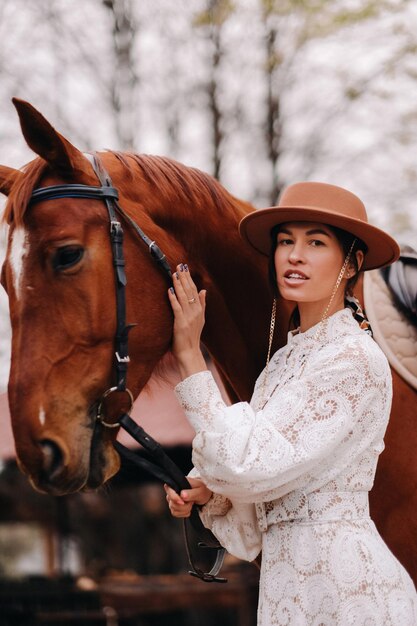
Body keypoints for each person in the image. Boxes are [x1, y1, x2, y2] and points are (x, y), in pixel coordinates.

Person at [164, 181, 417, 625]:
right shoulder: (282, 364)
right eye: (285, 241)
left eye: (315, 242)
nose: (294, 255)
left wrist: (189, 357)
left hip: (349, 595)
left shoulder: (352, 357)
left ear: (352, 262)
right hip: (288, 593)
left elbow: (250, 466)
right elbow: (266, 504)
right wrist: (213, 494)